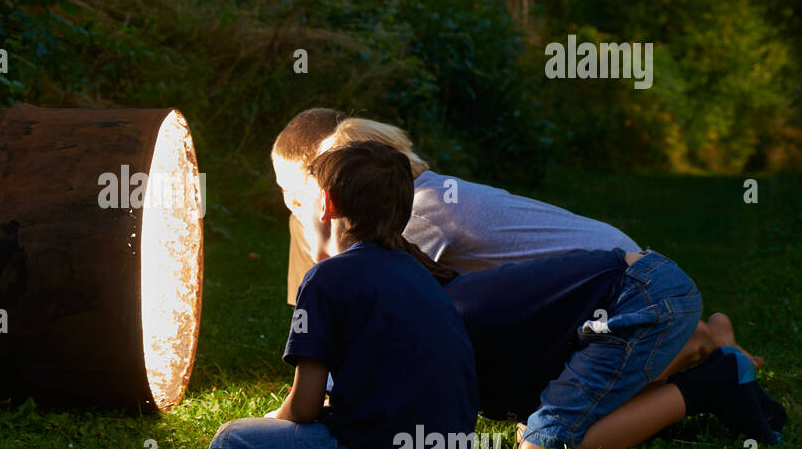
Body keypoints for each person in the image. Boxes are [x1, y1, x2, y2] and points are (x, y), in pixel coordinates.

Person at [315, 142, 787, 449]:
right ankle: (706, 357)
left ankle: (714, 382)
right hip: (638, 289)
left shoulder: (442, 316)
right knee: (536, 418)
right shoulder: (437, 300)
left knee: (546, 444)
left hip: (642, 294)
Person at [273, 107, 763, 378]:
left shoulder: (418, 215)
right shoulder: (418, 192)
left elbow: (360, 293)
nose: (293, 206)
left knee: (605, 381)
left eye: (298, 193)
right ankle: (704, 334)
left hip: (615, 287)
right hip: (607, 271)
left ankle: (702, 341)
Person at [207, 141, 482, 449]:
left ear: (326, 203)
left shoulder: (326, 278)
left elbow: (304, 408)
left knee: (231, 440)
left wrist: (273, 421)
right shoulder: (423, 273)